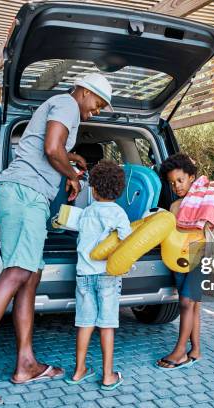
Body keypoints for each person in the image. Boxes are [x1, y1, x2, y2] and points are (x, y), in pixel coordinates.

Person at [0, 73, 114, 406]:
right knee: (18, 273)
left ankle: (25, 364)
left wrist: (73, 160)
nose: (95, 112)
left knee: (29, 278)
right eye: (97, 104)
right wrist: (73, 178)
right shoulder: (66, 102)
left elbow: (54, 148)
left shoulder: (61, 107)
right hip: (26, 196)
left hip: (21, 195)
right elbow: (52, 148)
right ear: (84, 91)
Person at [156, 153, 214, 370]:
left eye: (180, 180)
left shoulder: (205, 199)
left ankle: (180, 352)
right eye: (172, 182)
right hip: (179, 257)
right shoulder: (175, 205)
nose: (177, 186)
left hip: (200, 255)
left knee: (186, 303)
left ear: (191, 177)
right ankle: (195, 351)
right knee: (193, 305)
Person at [64, 160, 131, 391]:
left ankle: (79, 370)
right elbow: (127, 242)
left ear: (93, 189)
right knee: (106, 325)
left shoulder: (87, 212)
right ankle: (107, 375)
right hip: (107, 276)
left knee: (84, 323)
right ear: (119, 190)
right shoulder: (119, 213)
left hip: (83, 274)